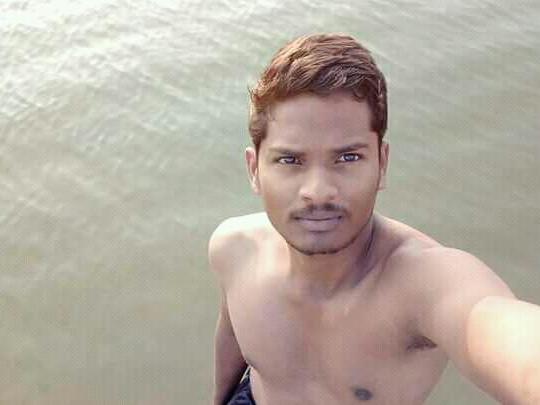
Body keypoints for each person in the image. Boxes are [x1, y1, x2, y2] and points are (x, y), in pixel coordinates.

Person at [209, 33, 540, 405]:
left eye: (347, 158)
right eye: (290, 160)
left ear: (382, 163)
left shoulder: (421, 282)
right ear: (254, 169)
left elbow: (501, 333)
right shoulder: (234, 249)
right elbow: (232, 337)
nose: (318, 191)